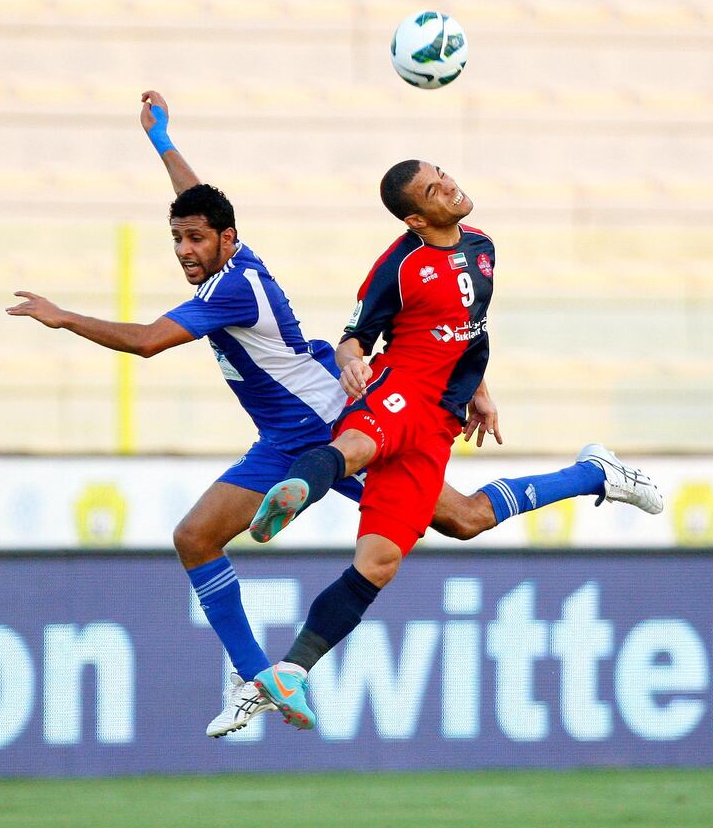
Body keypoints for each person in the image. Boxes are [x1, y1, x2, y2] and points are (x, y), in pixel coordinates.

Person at [2, 91, 535, 738]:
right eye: (177, 238)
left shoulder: (231, 289)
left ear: (224, 239)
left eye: (195, 238)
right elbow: (200, 202)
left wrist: (64, 318)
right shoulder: (229, 254)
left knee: (464, 517)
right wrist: (162, 141)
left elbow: (147, 341)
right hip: (281, 437)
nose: (184, 249)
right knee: (194, 537)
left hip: (329, 422)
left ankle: (593, 476)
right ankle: (257, 676)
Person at [250, 158, 663, 731]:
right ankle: (297, 490)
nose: (448, 182)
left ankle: (596, 474)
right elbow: (352, 339)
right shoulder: (399, 265)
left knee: (404, 549)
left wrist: (481, 391)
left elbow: (471, 327)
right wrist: (351, 367)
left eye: (440, 171)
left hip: (440, 420)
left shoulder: (484, 247)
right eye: (431, 188)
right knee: (355, 446)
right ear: (417, 217)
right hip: (398, 390)